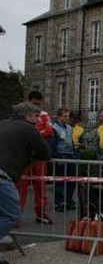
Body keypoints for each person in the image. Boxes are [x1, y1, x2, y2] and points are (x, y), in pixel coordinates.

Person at [0, 102, 52, 264]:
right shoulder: (29, 129)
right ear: (27, 116)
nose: (38, 120)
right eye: (36, 116)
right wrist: (28, 159)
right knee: (12, 214)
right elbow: (45, 153)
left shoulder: (2, 123)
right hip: (3, 176)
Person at [16, 91, 55, 225]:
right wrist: (37, 133)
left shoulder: (43, 115)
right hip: (24, 155)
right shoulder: (22, 114)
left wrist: (35, 133)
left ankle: (41, 213)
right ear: (29, 101)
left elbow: (49, 131)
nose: (37, 106)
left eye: (39, 104)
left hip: (38, 155)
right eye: (34, 104)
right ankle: (16, 215)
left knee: (40, 184)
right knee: (21, 185)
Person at [52, 108, 77, 212]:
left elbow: (70, 140)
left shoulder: (69, 127)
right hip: (60, 156)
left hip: (70, 155)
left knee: (72, 180)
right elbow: (53, 144)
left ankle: (68, 200)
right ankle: (59, 202)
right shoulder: (54, 128)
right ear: (59, 116)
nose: (67, 118)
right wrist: (56, 156)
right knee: (59, 181)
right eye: (65, 116)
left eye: (68, 116)